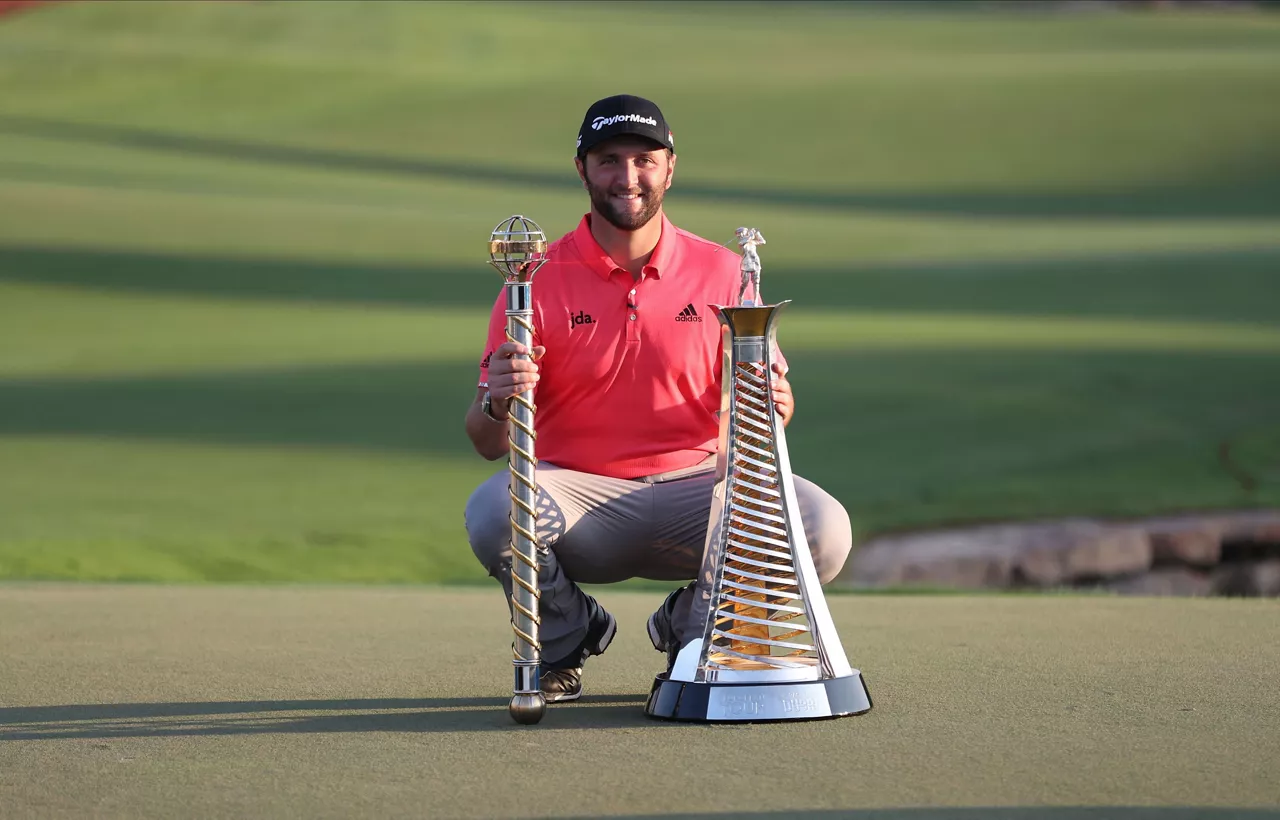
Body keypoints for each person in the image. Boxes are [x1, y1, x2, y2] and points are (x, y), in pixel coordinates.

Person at [464, 94, 853, 703]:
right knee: (492, 513)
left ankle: (690, 631)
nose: (628, 177)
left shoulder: (724, 270)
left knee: (824, 530)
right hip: (578, 493)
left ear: (670, 167)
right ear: (582, 169)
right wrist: (498, 400)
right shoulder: (535, 278)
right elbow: (488, 442)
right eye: (609, 160)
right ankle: (567, 636)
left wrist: (776, 398)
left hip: (697, 488)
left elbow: (776, 409)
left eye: (644, 160)